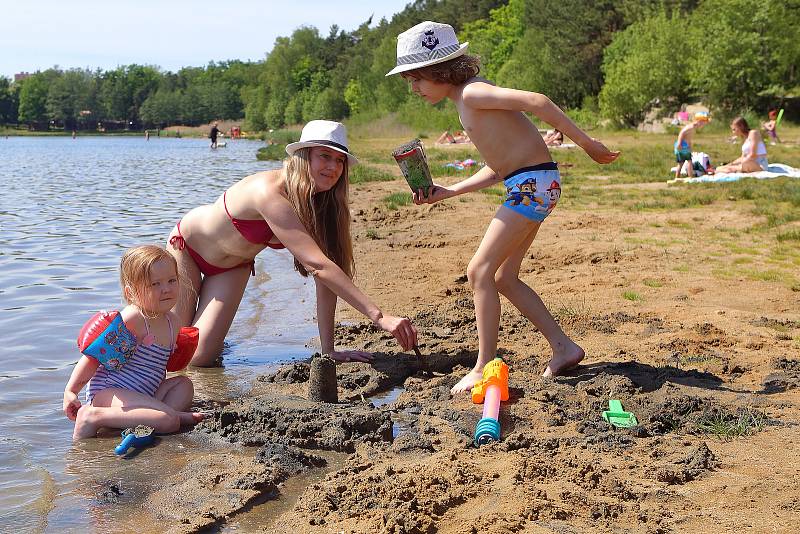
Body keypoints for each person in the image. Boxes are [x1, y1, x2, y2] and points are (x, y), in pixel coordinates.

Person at [386, 21, 619, 392]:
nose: (413, 88)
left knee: (478, 270)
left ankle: (482, 365)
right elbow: (498, 168)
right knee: (501, 277)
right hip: (532, 183)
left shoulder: (473, 93)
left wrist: (586, 143)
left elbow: (537, 101)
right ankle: (563, 347)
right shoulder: (466, 102)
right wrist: (448, 192)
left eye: (416, 79)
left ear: (439, 70)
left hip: (532, 185)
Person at [167, 120, 418, 366]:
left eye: (339, 160)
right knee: (170, 350)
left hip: (233, 266)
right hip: (187, 249)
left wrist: (328, 350)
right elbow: (316, 265)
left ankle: (212, 336)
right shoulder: (269, 193)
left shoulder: (321, 203)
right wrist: (380, 317)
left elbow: (326, 272)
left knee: (198, 358)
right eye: (324, 156)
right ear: (303, 155)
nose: (333, 167)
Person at [63, 245, 204, 440]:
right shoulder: (135, 318)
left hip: (145, 393)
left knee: (184, 384)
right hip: (110, 392)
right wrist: (71, 391)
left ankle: (150, 416)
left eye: (172, 280)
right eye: (155, 284)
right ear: (131, 293)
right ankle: (92, 416)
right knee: (169, 422)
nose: (166, 289)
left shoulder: (173, 322)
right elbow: (94, 357)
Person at [673, 112, 709, 178]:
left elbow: (688, 138)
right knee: (686, 162)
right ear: (699, 121)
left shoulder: (693, 128)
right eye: (703, 123)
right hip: (682, 146)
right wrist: (679, 143)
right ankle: (688, 177)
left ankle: (680, 177)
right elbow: (682, 133)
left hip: (685, 146)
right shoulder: (690, 127)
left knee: (683, 162)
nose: (703, 125)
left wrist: (689, 146)